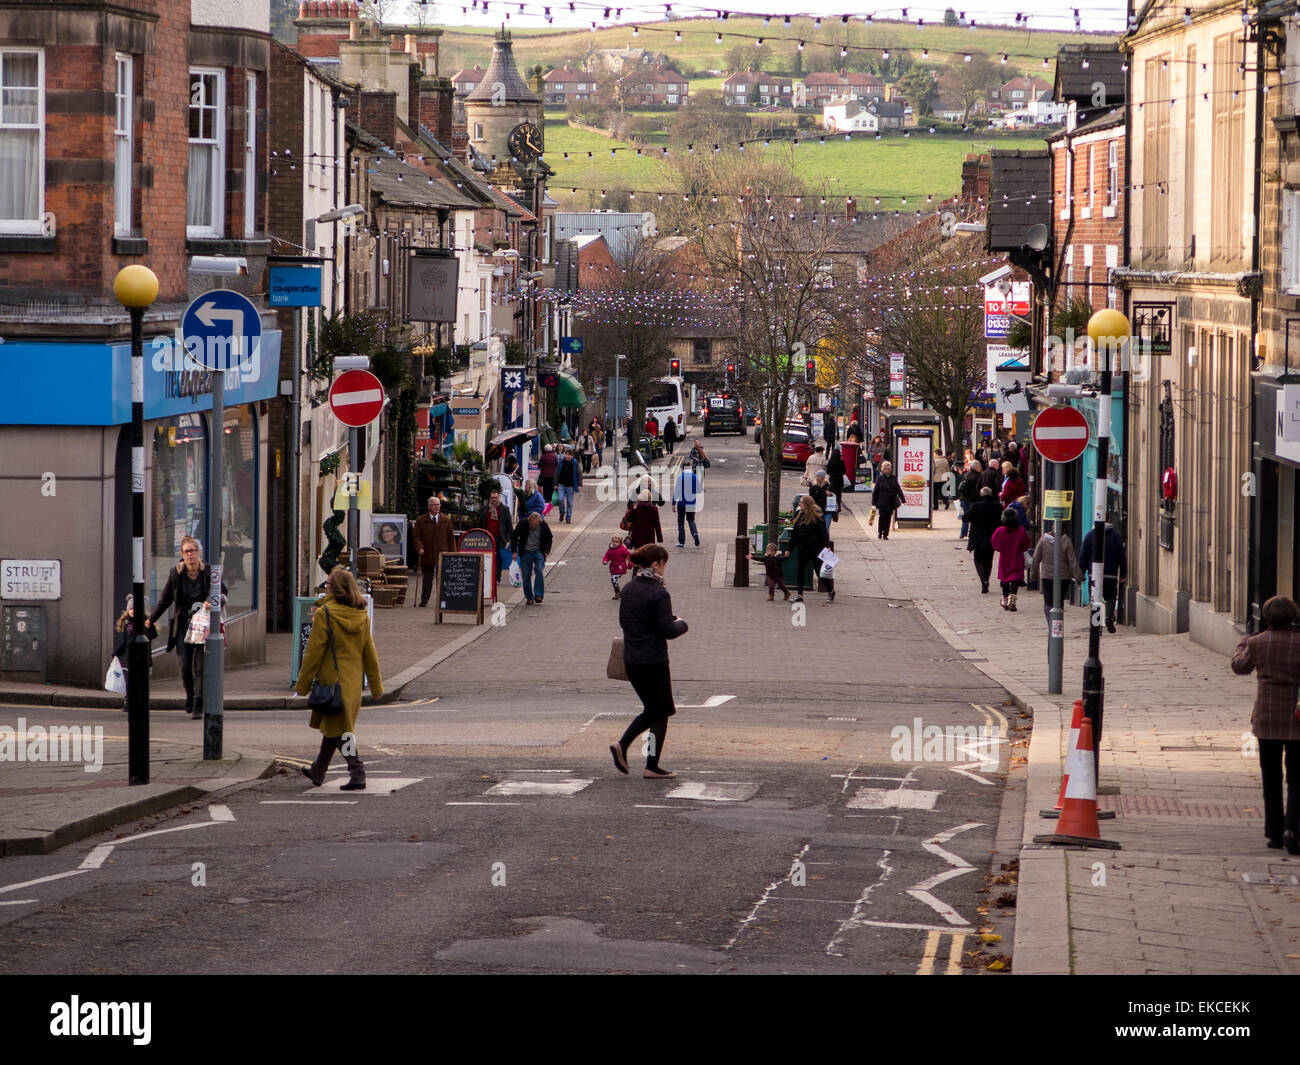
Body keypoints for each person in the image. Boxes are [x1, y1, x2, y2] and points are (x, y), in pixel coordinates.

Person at [295, 568, 383, 792]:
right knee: (333, 727)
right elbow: (369, 653)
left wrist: (302, 684)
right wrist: (376, 686)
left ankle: (357, 772)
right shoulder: (361, 614)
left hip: (331, 682)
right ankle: (318, 770)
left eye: (327, 584)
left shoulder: (326, 613)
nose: (325, 587)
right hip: (351, 684)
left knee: (340, 730)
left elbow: (314, 652)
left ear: (335, 588)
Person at [609, 543, 688, 779]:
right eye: (664, 565)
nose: (664, 569)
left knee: (652, 710)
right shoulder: (659, 593)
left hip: (632, 659)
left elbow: (626, 621)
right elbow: (668, 630)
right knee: (661, 713)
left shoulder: (630, 587)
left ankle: (623, 746)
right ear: (656, 564)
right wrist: (682, 623)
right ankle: (650, 765)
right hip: (653, 660)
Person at [1230, 595, 1300, 853]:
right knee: (1297, 778)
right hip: (1297, 718)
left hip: (1267, 718)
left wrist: (1242, 644)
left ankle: (1274, 832)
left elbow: (1239, 667)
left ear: (1268, 617)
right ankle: (1293, 829)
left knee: (1271, 777)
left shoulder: (1258, 642)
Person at [148, 536, 227, 720]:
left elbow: (223, 591)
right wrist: (150, 619)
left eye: (193, 550)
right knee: (184, 667)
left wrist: (210, 601)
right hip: (183, 626)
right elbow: (165, 600)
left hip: (203, 626)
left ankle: (198, 704)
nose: (190, 554)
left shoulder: (208, 572)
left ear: (198, 552)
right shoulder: (176, 574)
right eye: (186, 551)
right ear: (182, 554)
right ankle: (190, 696)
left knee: (200, 667)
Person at [1079, 521, 1127, 633]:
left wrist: (1081, 572)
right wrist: (1123, 573)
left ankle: (1097, 628)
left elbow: (1083, 556)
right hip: (1111, 575)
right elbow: (1122, 556)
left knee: (1096, 599)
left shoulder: (1090, 536)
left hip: (1094, 575)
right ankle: (1108, 615)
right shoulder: (1116, 536)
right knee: (1111, 597)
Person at [1029, 524, 1083, 622]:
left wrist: (1033, 576)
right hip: (1063, 577)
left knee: (1048, 604)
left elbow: (1035, 559)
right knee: (1059, 603)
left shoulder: (1043, 540)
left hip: (1047, 577)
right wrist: (1079, 576)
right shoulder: (1066, 541)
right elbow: (1072, 561)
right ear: (1064, 530)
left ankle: (1052, 626)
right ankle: (1057, 625)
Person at [112, 595, 157, 710]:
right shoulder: (128, 625)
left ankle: (142, 702)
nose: (133, 611)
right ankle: (128, 702)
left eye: (135, 609)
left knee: (142, 683)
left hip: (143, 659)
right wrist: (117, 653)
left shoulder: (145, 623)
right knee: (130, 682)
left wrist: (150, 625)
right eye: (131, 609)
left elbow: (153, 636)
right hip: (129, 660)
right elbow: (125, 643)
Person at [413, 495, 456, 608]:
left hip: (443, 553)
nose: (436, 507)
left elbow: (451, 538)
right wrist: (419, 548)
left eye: (438, 505)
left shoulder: (446, 520)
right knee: (427, 578)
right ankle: (424, 599)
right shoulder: (421, 520)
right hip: (427, 553)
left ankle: (443, 600)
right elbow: (416, 536)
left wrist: (453, 554)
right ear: (429, 507)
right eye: (434, 505)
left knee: (442, 579)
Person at [790, 494, 829, 603]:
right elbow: (794, 534)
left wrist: (827, 546)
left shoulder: (817, 518)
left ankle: (830, 590)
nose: (799, 504)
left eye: (801, 502)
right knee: (800, 571)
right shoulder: (799, 515)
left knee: (819, 572)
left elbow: (823, 534)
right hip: (803, 549)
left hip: (815, 549)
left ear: (807, 504)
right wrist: (789, 549)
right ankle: (800, 595)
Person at [991, 507, 1032, 611]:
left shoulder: (999, 531)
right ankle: (1012, 601)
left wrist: (999, 548)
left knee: (1004, 580)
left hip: (1004, 559)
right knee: (1015, 580)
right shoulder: (1021, 530)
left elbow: (995, 544)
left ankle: (1005, 599)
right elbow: (1025, 545)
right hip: (1017, 558)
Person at [510, 510, 553, 605]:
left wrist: (546, 551)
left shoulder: (543, 525)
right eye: (532, 524)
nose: (533, 526)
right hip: (525, 551)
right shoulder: (522, 524)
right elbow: (514, 537)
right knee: (526, 575)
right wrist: (514, 551)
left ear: (539, 522)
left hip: (538, 551)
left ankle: (538, 595)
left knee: (539, 570)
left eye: (535, 524)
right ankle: (529, 596)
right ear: (529, 521)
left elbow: (549, 538)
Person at [966, 486, 1003, 594]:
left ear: (981, 494)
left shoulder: (975, 506)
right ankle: (986, 578)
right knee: (988, 560)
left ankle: (983, 580)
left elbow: (965, 518)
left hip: (977, 537)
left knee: (978, 560)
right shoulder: (998, 506)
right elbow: (1002, 521)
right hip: (992, 537)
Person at [479, 489, 513, 582]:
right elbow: (480, 524)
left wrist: (510, 539)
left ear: (499, 497)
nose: (494, 499)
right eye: (492, 498)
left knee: (498, 559)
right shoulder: (484, 509)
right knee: (488, 558)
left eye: (496, 497)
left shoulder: (505, 509)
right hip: (487, 538)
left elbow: (509, 525)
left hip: (500, 538)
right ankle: (488, 577)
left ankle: (496, 578)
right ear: (489, 498)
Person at [872, 460, 906, 540]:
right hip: (882, 501)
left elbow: (898, 489)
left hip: (891, 501)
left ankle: (886, 534)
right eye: (886, 468)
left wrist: (903, 499)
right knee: (882, 517)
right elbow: (875, 491)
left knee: (888, 518)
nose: (887, 470)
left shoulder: (893, 478)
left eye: (889, 468)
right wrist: (874, 503)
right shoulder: (879, 478)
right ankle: (880, 532)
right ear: (882, 469)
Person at [671, 463, 701, 548]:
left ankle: (681, 542)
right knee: (691, 520)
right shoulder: (695, 477)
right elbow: (699, 490)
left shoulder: (680, 477)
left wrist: (673, 503)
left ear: (683, 468)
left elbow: (676, 491)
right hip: (691, 503)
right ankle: (695, 534)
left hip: (681, 503)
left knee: (681, 523)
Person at [555, 446, 582, 524]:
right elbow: (556, 473)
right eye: (566, 454)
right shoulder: (561, 462)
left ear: (571, 456)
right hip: (561, 484)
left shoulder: (575, 463)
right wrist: (555, 483)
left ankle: (568, 517)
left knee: (570, 502)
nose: (567, 456)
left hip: (570, 486)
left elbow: (579, 474)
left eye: (568, 455)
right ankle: (562, 513)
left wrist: (579, 484)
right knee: (560, 499)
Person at [958, 459, 982, 539]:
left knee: (966, 516)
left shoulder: (966, 475)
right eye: (979, 467)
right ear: (976, 467)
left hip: (965, 499)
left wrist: (961, 498)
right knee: (974, 518)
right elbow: (978, 489)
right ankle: (972, 534)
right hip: (974, 500)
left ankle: (963, 533)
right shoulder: (978, 477)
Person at [603, 534, 632, 599]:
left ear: (620, 543)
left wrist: (630, 564)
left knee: (614, 579)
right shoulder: (610, 549)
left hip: (621, 567)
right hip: (613, 567)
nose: (615, 543)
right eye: (614, 542)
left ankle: (618, 592)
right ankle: (617, 593)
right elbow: (607, 556)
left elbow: (629, 556)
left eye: (617, 542)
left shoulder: (623, 549)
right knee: (614, 581)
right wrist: (605, 561)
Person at [807, 470, 834, 536]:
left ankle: (826, 544)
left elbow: (834, 496)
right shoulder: (814, 487)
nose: (817, 477)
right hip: (817, 510)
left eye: (819, 476)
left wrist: (830, 494)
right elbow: (811, 496)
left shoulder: (828, 486)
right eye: (816, 476)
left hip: (828, 510)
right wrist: (824, 493)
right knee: (817, 528)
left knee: (826, 528)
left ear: (823, 477)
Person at [826, 445, 846, 522]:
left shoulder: (830, 462)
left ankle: (832, 506)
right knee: (838, 493)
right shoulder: (841, 462)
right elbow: (844, 471)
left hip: (832, 479)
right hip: (839, 479)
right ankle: (839, 506)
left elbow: (828, 471)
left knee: (832, 493)